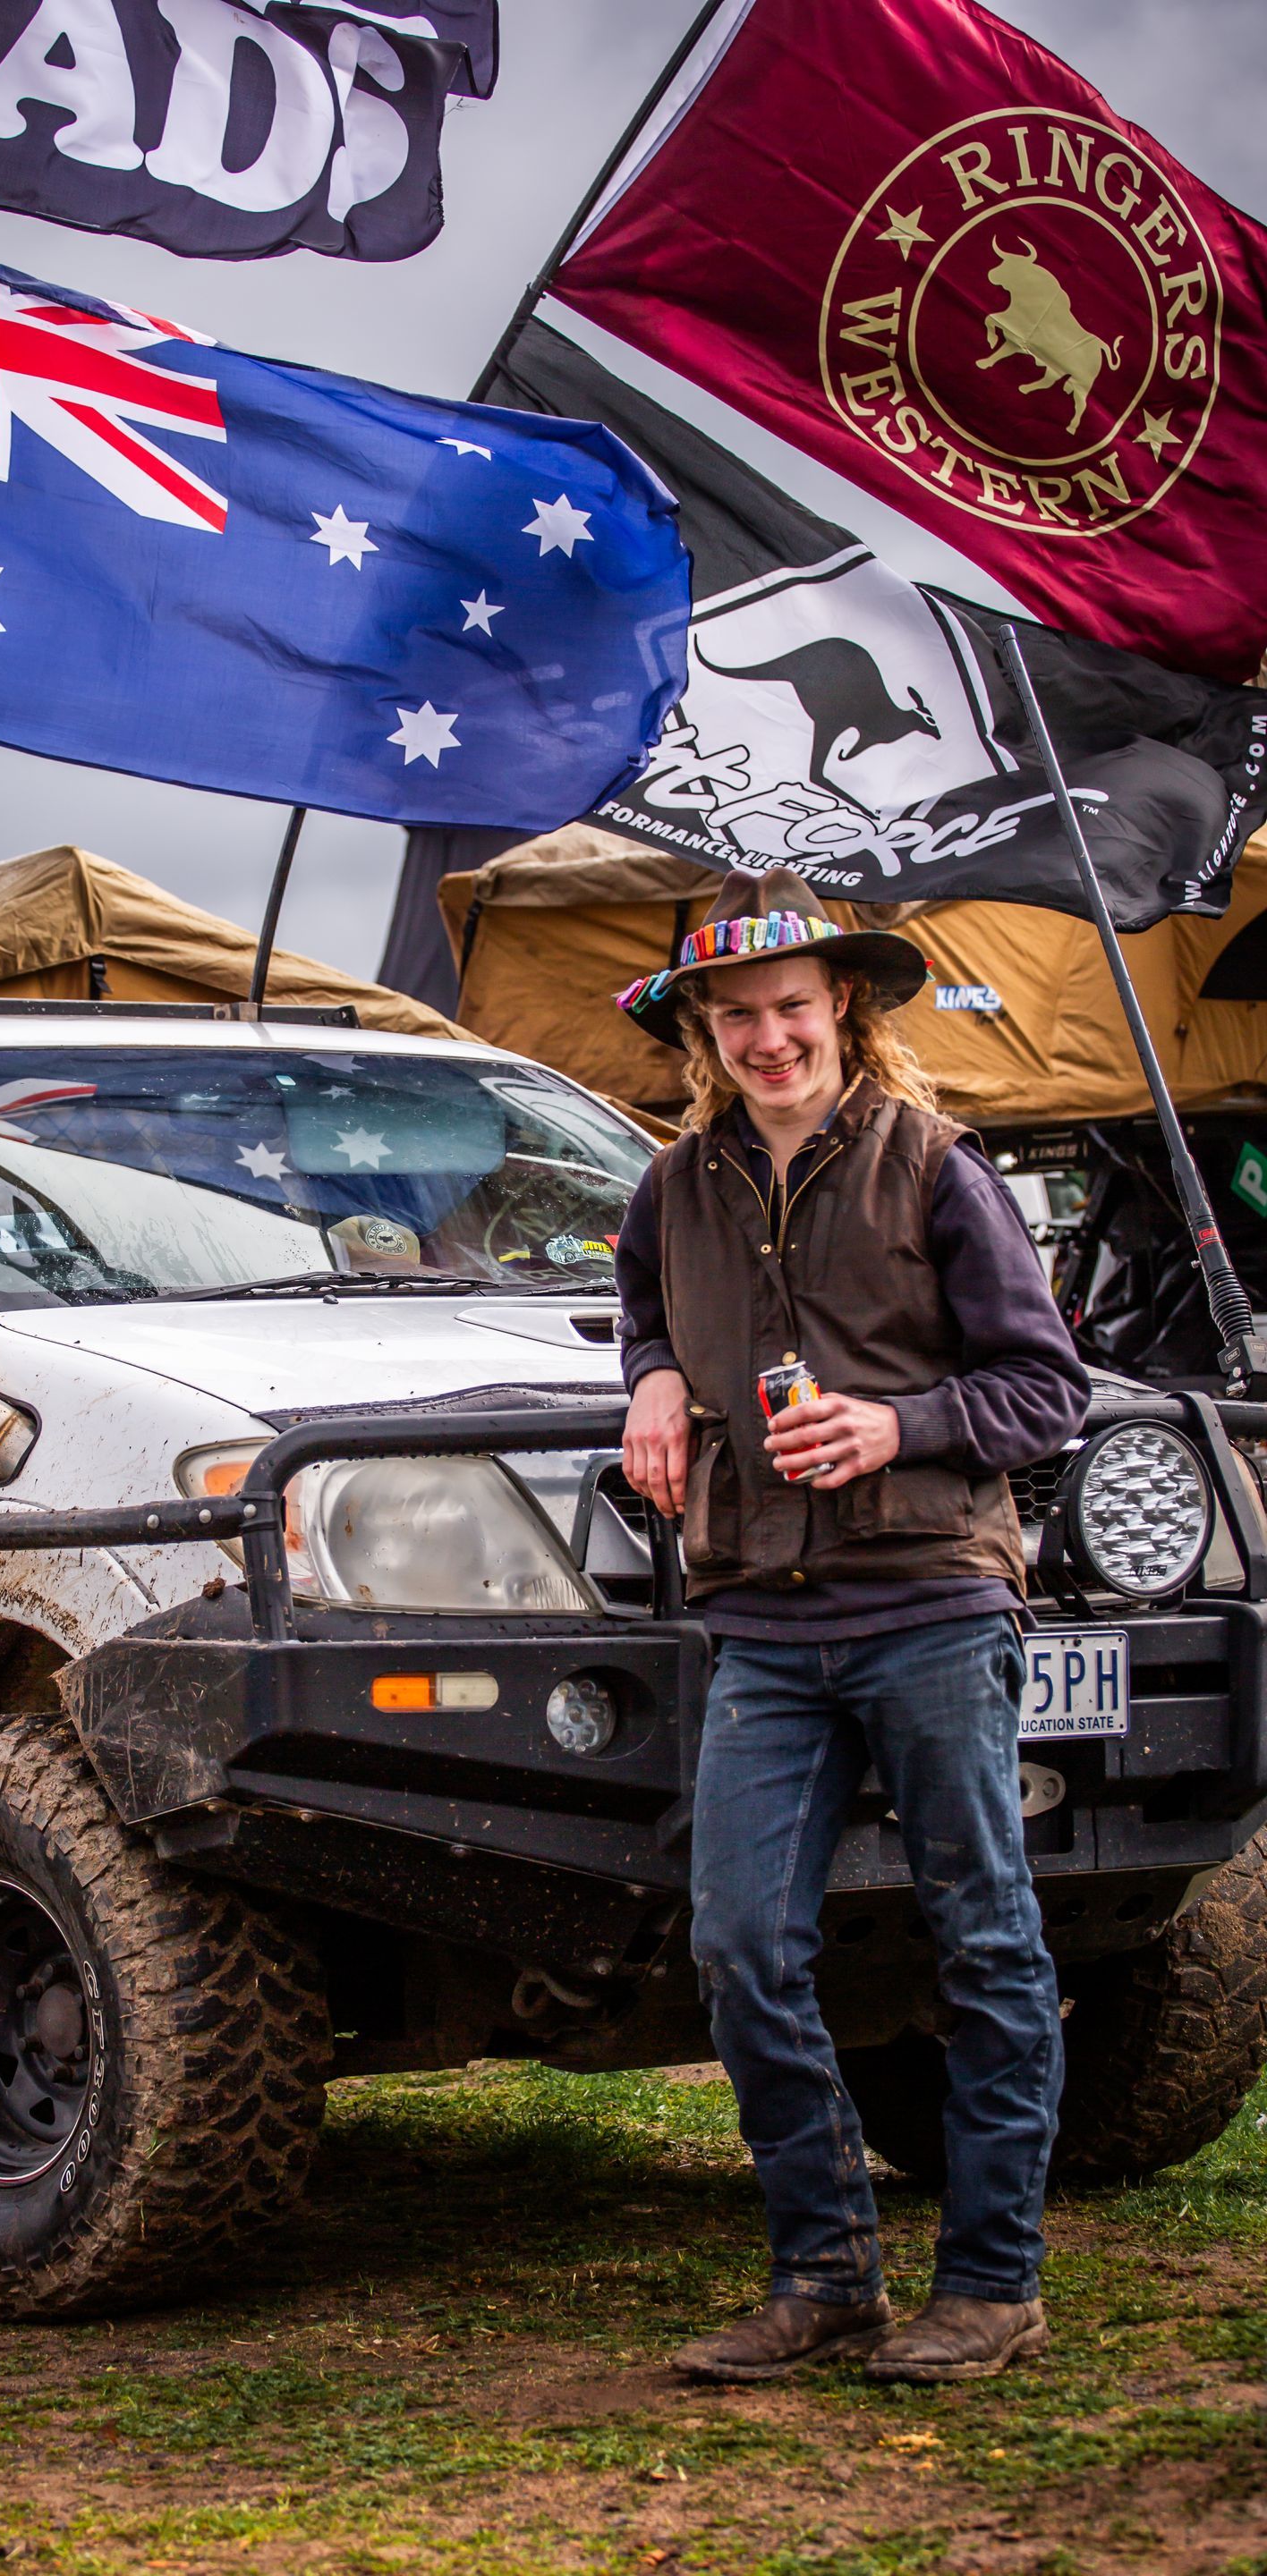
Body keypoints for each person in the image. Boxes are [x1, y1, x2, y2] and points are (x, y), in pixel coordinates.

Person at [612, 867, 1090, 2387]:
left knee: (986, 1939)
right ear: (703, 1030)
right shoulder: (669, 1189)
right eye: (738, 1014)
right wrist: (652, 1378)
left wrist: (899, 1427)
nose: (770, 1038)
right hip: (759, 1617)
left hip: (933, 1603)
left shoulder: (937, 1167)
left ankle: (995, 2285)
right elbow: (642, 1313)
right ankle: (824, 2279)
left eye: (794, 1009)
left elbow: (1048, 1392)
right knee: (743, 1941)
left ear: (847, 1012)